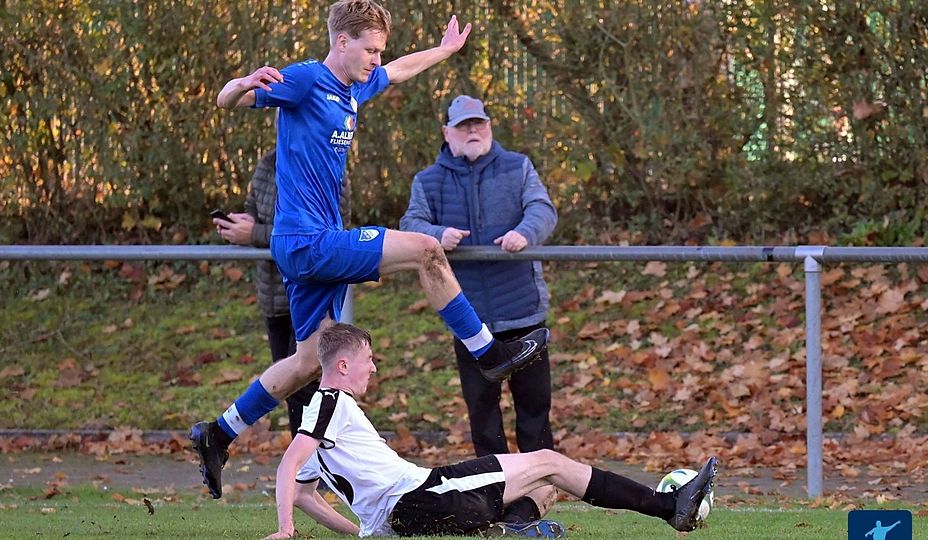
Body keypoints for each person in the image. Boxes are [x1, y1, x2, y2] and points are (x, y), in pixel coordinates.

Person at [192, 0, 549, 499]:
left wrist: (445, 51)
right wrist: (241, 84)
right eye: (371, 50)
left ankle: (218, 432)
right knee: (427, 248)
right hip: (310, 241)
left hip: (307, 246)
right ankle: (487, 352)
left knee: (309, 360)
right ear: (342, 42)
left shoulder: (356, 86)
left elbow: (400, 70)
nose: (378, 60)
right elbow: (226, 101)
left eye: (380, 50)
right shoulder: (303, 80)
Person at [265, 323, 718, 538]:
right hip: (424, 495)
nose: (374, 368)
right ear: (343, 366)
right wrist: (285, 529)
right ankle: (669, 506)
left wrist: (362, 532)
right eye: (368, 360)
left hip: (407, 517)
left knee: (545, 490)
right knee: (549, 463)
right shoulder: (330, 404)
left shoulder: (319, 415)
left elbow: (305, 492)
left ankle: (513, 530)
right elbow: (290, 465)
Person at [400, 95, 558, 457]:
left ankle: (541, 485)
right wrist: (438, 234)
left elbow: (542, 209)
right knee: (483, 414)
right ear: (447, 132)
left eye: (479, 123)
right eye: (463, 125)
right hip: (467, 317)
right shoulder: (428, 181)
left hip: (524, 311)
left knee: (535, 410)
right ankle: (495, 488)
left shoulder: (518, 167)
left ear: (489, 126)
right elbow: (411, 224)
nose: (473, 131)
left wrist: (526, 233)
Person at [213, 149, 347, 435]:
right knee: (289, 387)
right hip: (274, 295)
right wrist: (241, 224)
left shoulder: (326, 164)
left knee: (307, 383)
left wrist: (255, 235)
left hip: (311, 295)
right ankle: (305, 469)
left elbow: (326, 230)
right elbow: (254, 207)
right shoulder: (267, 164)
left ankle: (314, 467)